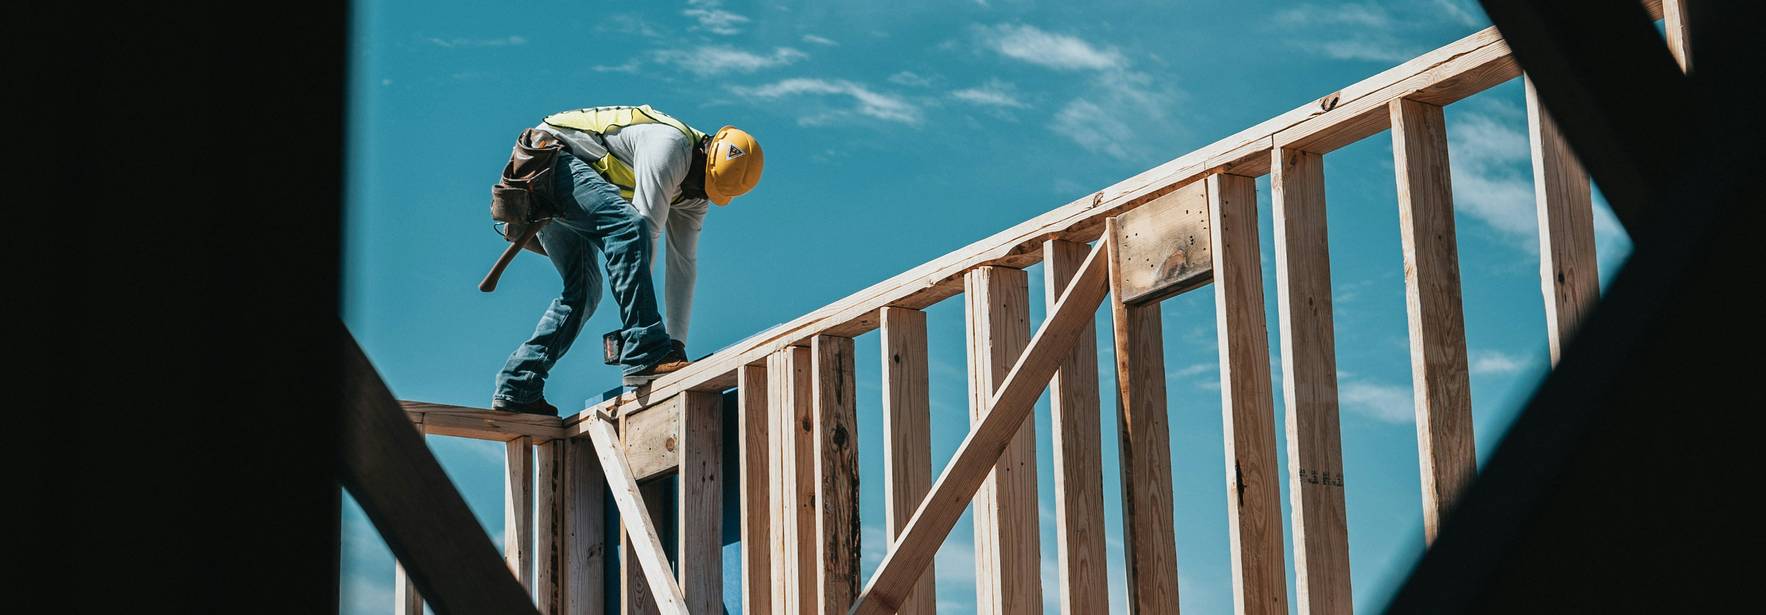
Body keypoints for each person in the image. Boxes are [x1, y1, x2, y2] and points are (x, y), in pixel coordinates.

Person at [491, 105, 764, 415]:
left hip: (564, 178)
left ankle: (518, 384)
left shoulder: (694, 194)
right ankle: (645, 350)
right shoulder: (670, 146)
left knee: (583, 292)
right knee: (629, 227)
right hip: (547, 160)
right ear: (704, 153)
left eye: (706, 190)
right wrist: (646, 341)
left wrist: (676, 344)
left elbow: (683, 266)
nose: (696, 193)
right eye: (700, 183)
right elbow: (642, 232)